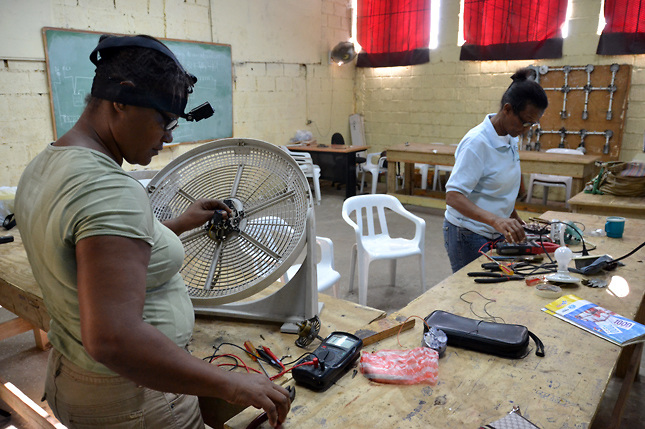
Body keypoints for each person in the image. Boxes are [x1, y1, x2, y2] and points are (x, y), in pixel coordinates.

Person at [14, 34, 290, 428]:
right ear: (120, 101)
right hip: (133, 398)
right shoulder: (109, 190)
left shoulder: (47, 164)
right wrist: (230, 384)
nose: (169, 135)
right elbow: (114, 339)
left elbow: (92, 253)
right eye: (163, 119)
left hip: (74, 376)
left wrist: (175, 225)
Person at [443, 68, 548, 273]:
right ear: (507, 110)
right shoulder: (477, 143)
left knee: (496, 290)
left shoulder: (510, 137)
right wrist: (496, 219)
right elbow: (453, 196)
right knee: (471, 293)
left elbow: (499, 190)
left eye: (532, 125)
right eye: (524, 122)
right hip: (468, 233)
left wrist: (515, 219)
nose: (526, 129)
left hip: (494, 230)